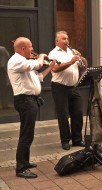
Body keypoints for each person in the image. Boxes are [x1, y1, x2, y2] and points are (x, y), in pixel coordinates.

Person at [7, 37, 56, 178]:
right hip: (25, 101)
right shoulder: (16, 61)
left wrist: (50, 68)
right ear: (23, 49)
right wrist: (41, 57)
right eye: (31, 47)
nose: (33, 49)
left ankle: (25, 162)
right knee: (26, 134)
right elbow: (38, 65)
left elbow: (39, 76)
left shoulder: (24, 62)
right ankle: (21, 168)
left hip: (30, 100)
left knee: (28, 133)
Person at [48, 31, 88, 150]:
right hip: (60, 87)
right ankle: (65, 141)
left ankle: (77, 139)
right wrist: (71, 61)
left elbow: (84, 66)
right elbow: (54, 69)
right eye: (64, 39)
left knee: (78, 113)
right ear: (57, 41)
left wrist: (81, 58)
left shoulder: (72, 51)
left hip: (74, 87)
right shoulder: (53, 53)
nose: (67, 41)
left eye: (67, 38)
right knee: (63, 115)